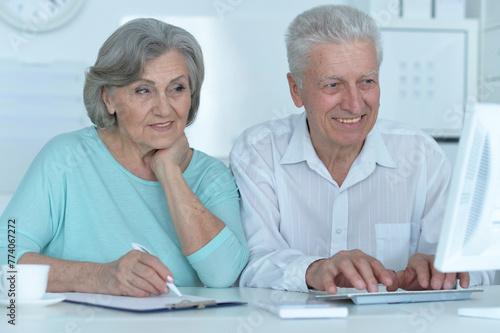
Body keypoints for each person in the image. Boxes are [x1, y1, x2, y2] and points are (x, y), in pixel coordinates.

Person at [230, 5, 492, 294]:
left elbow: (477, 267)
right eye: (333, 85)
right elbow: (250, 263)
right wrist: (314, 269)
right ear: (296, 90)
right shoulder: (258, 151)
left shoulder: (421, 156)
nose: (355, 105)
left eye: (367, 82)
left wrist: (441, 273)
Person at [0, 18, 248, 297]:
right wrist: (99, 277)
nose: (164, 109)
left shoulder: (211, 176)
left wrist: (169, 171)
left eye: (177, 88)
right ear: (108, 98)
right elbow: (5, 259)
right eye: (144, 90)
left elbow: (225, 275)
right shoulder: (65, 158)